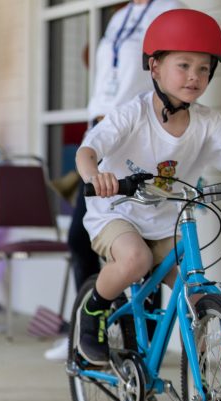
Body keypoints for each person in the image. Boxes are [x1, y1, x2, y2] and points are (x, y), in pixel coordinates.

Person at [76, 9, 221, 363]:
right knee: (136, 258)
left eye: (204, 68)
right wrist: (94, 178)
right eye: (184, 65)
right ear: (156, 67)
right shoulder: (134, 113)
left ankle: (207, 377)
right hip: (116, 213)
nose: (194, 77)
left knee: (195, 290)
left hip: (166, 221)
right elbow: (88, 150)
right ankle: (94, 310)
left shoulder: (208, 122)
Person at [47, 0, 184, 361]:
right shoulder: (120, 16)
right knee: (81, 238)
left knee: (147, 242)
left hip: (139, 130)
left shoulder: (169, 10)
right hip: (103, 127)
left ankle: (142, 348)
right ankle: (91, 324)